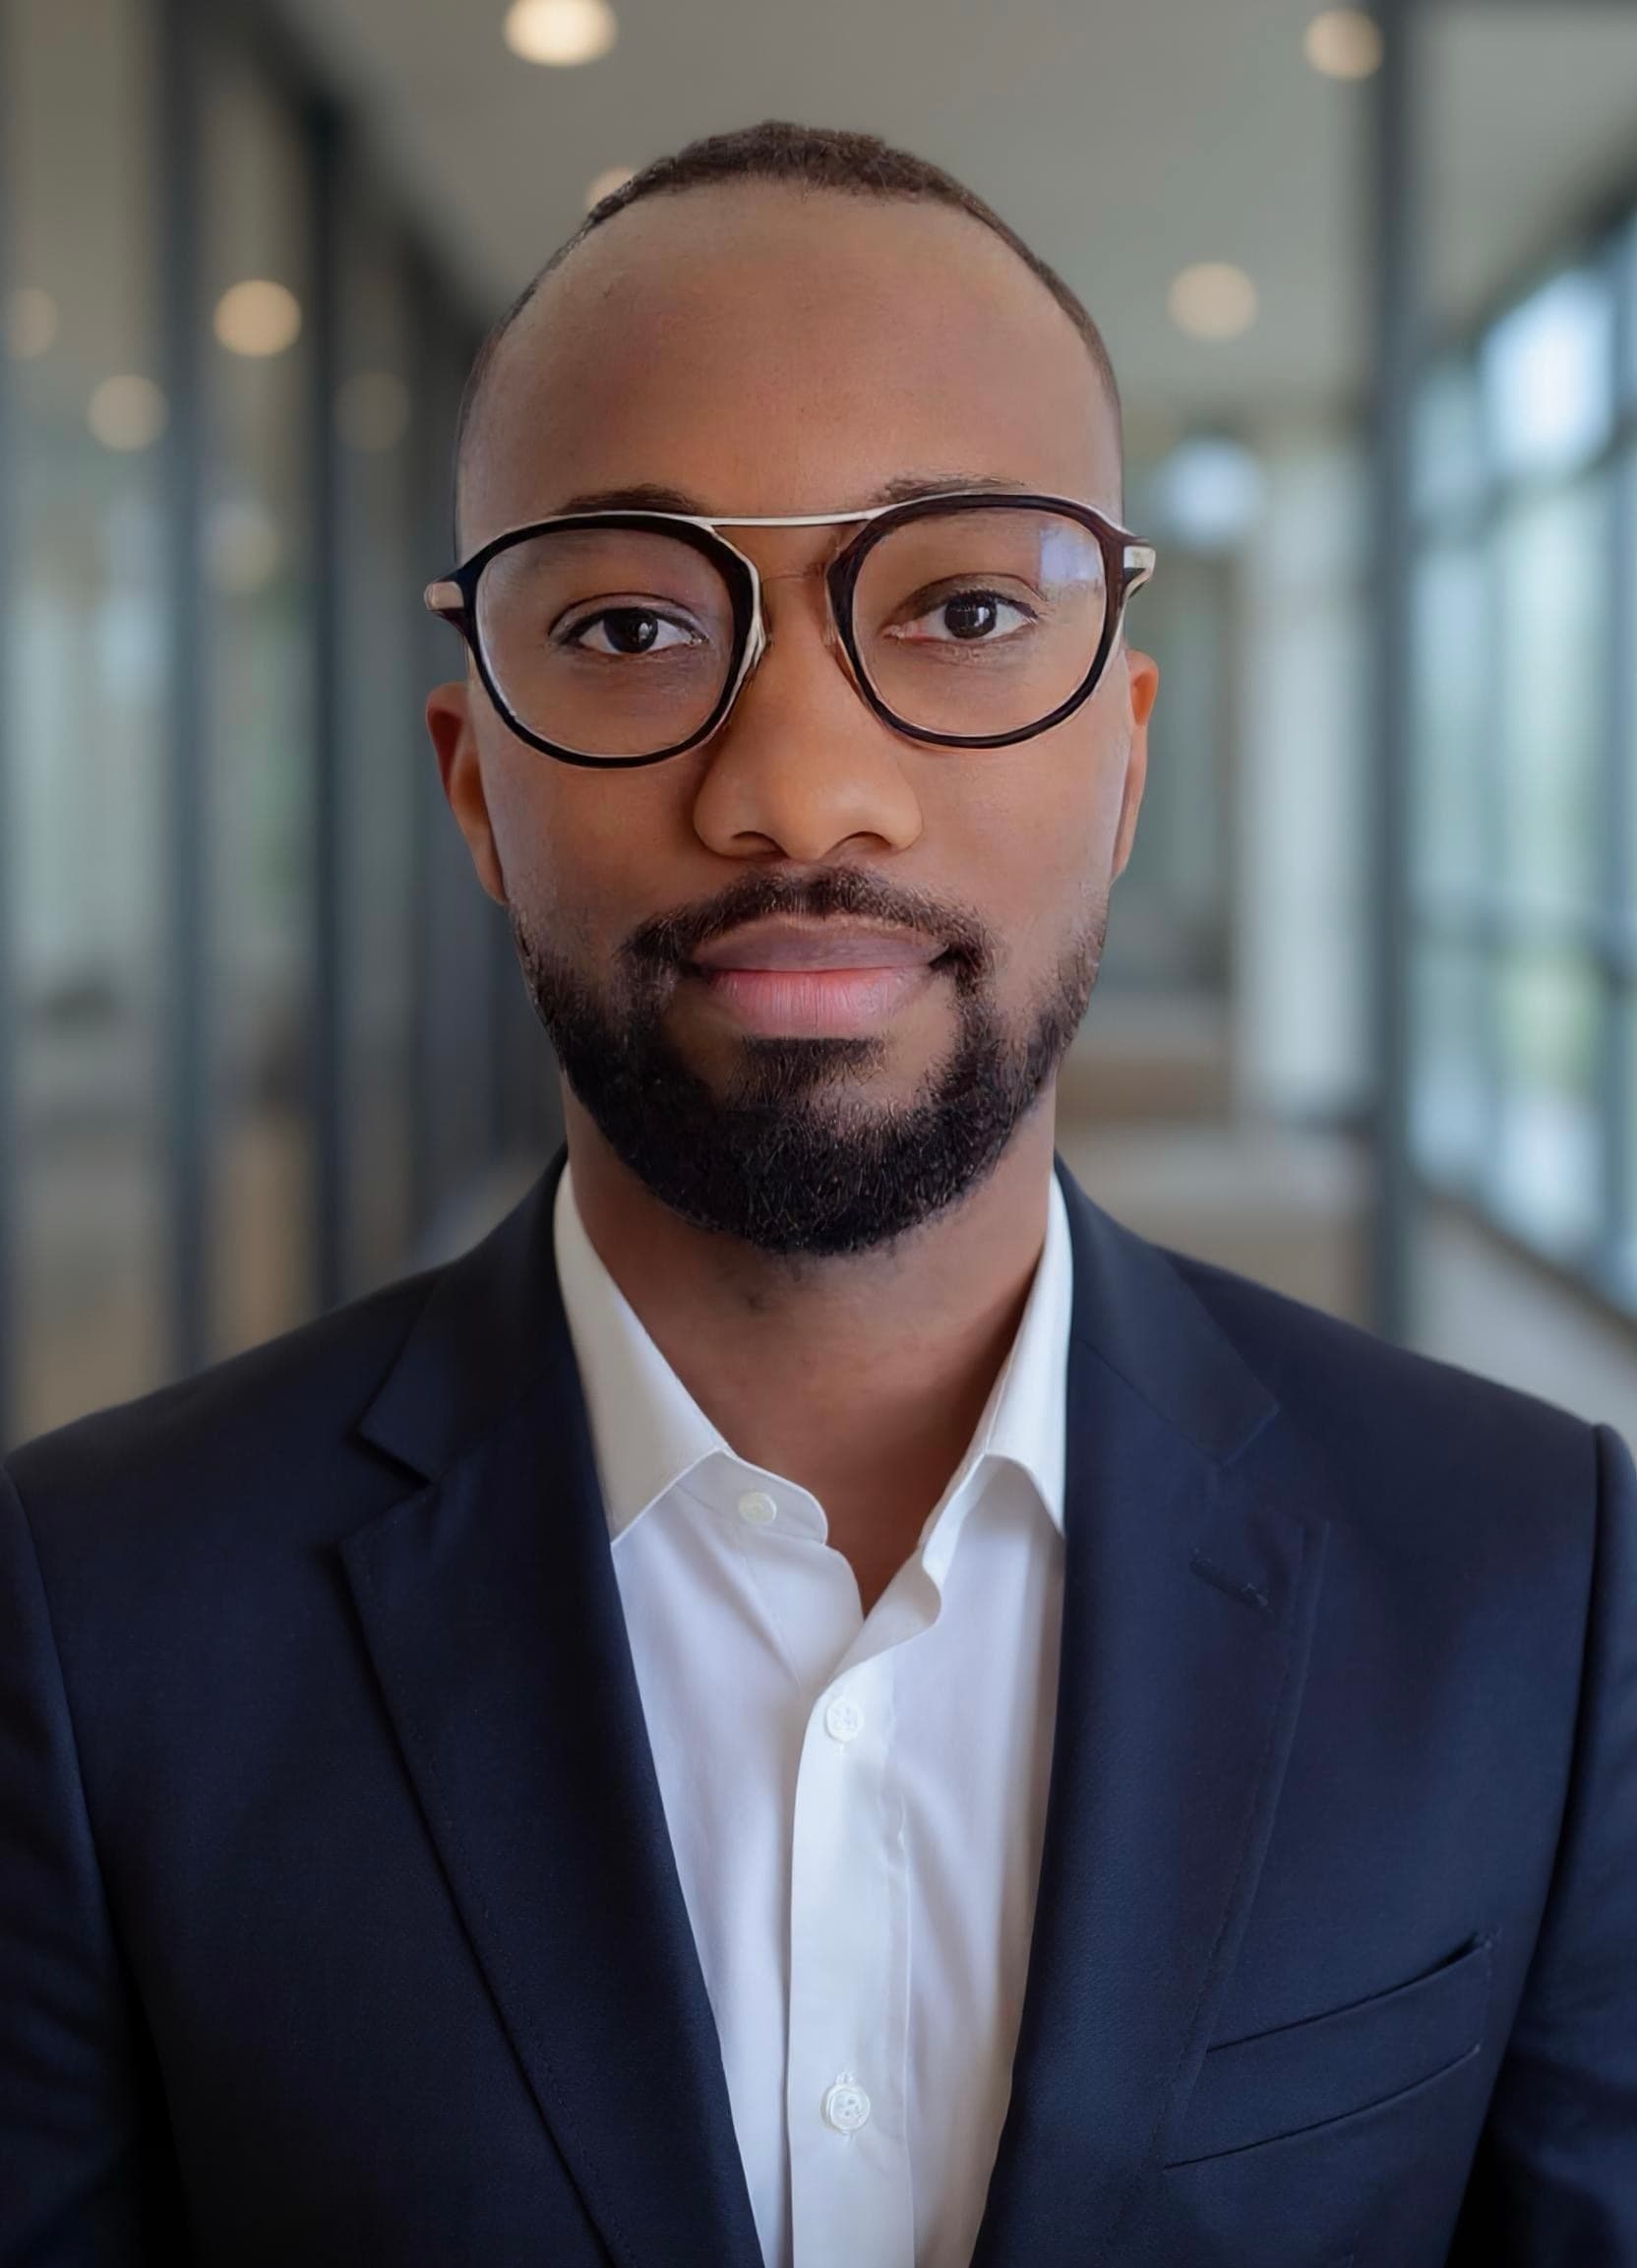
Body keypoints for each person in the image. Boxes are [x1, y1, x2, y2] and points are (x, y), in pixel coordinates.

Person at [1, 117, 1632, 2268]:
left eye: (964, 607)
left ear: (1125, 758)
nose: (799, 790)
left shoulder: (1534, 1581)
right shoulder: (94, 1616)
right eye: (628, 623)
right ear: (474, 786)